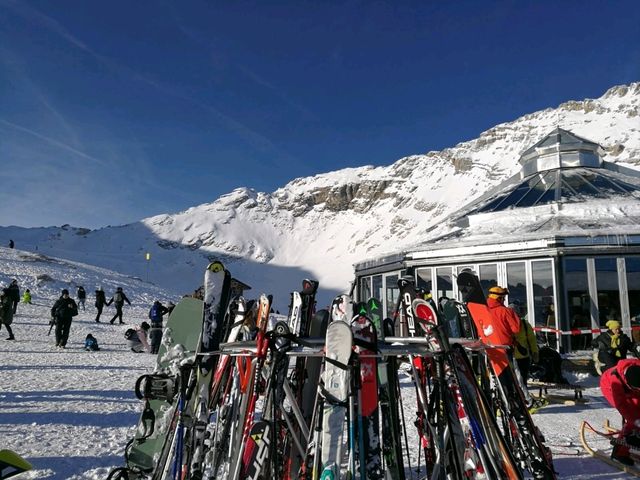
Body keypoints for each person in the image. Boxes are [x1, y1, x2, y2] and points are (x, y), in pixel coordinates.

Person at [600, 358, 640, 465]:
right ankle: (619, 452)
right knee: (633, 416)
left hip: (631, 388)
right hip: (609, 387)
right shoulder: (615, 380)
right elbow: (622, 406)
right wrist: (636, 422)